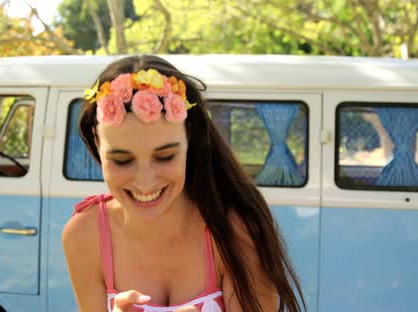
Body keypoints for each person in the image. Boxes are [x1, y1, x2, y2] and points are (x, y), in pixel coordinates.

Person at [62, 55, 305, 312]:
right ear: (98, 146)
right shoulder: (84, 235)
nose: (145, 182)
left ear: (189, 137)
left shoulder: (236, 232)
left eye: (165, 157)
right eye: (122, 160)